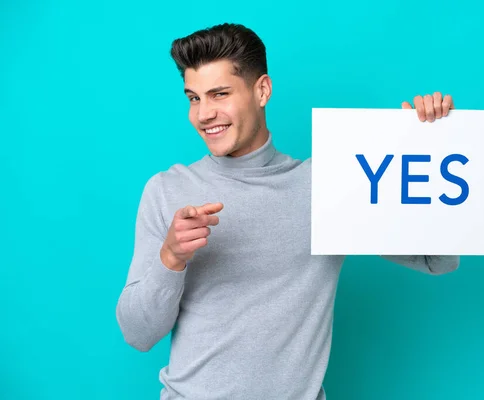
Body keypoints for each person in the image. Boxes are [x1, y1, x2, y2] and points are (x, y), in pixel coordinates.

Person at [116, 22, 460, 400]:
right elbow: (137, 333)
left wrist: (431, 144)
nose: (203, 114)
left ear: (261, 90)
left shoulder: (331, 185)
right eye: (194, 98)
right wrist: (171, 258)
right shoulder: (167, 189)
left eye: (219, 94)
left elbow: (437, 259)